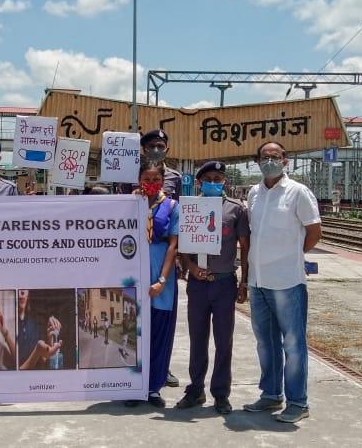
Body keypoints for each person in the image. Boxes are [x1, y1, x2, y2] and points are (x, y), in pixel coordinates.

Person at [243, 142, 322, 424]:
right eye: (264, 157)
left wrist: (293, 255)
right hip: (258, 281)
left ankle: (298, 402)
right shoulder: (254, 193)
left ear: (285, 161)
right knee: (266, 343)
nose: (270, 161)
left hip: (287, 281)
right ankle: (271, 394)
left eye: (275, 157)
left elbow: (314, 231)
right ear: (257, 161)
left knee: (293, 343)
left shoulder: (298, 192)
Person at [175, 161, 250, 415]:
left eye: (218, 179)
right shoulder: (189, 208)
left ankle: (221, 393)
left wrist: (244, 281)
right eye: (208, 179)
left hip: (224, 283)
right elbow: (182, 247)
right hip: (197, 285)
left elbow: (245, 247)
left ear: (224, 182)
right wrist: (190, 267)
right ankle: (195, 389)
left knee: (223, 340)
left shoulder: (236, 209)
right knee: (197, 338)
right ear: (199, 183)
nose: (213, 183)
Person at [125, 162, 179, 409]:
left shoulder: (172, 206)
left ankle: (153, 387)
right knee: (132, 332)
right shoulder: (128, 203)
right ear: (138, 180)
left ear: (163, 181)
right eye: (146, 179)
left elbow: (173, 245)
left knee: (158, 332)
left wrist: (162, 280)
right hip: (132, 274)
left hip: (159, 275)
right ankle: (133, 386)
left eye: (156, 179)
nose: (151, 184)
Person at [17, 290, 62, 370]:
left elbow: (43, 359)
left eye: (24, 288)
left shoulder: (33, 323)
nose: (22, 292)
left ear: (28, 293)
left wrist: (50, 338)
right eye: (18, 288)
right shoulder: (11, 325)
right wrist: (37, 351)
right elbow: (14, 372)